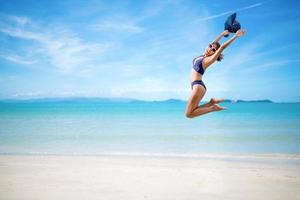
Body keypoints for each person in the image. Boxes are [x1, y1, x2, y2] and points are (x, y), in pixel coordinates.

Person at [185, 29, 246, 118]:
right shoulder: (203, 55)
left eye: (213, 50)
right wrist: (222, 34)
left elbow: (222, 48)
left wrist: (235, 36)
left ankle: (213, 108)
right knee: (194, 110)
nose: (210, 49)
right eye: (210, 46)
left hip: (198, 86)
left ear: (215, 53)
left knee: (189, 114)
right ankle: (211, 103)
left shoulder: (208, 60)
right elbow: (214, 42)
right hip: (196, 86)